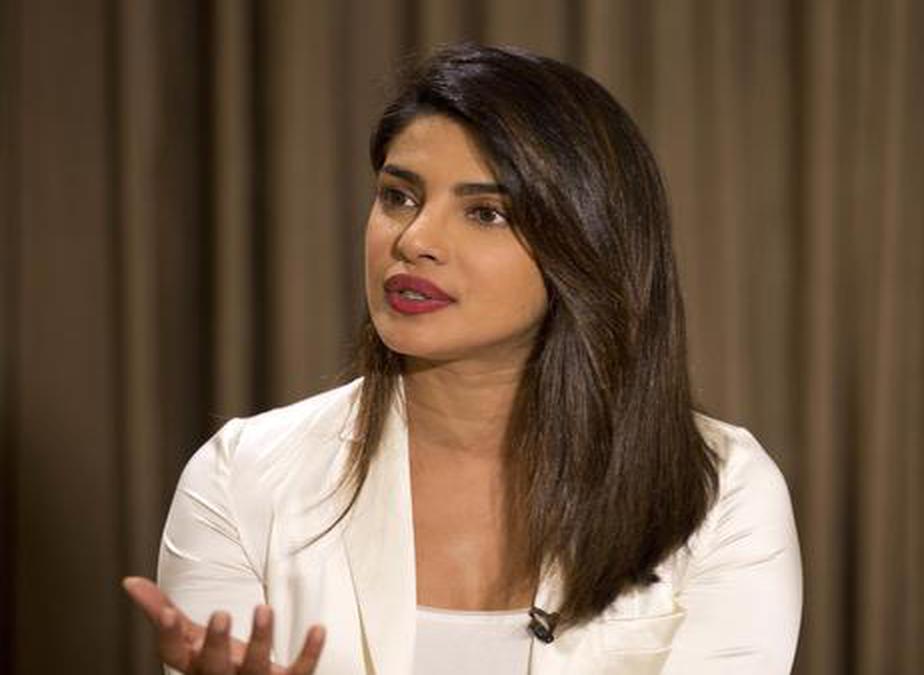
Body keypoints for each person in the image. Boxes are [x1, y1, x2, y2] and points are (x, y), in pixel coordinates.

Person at [123, 43, 802, 674]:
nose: (414, 239)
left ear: (587, 246)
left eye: (485, 213)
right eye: (399, 197)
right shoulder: (240, 479)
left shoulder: (722, 492)